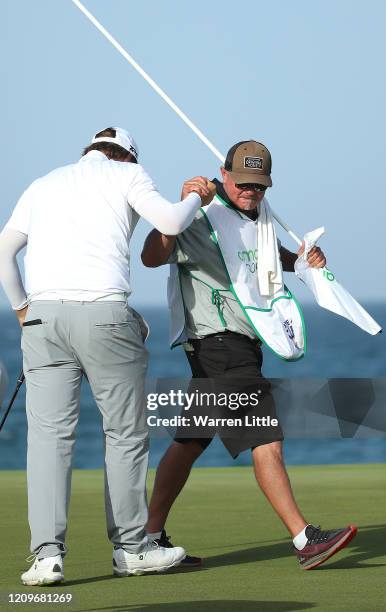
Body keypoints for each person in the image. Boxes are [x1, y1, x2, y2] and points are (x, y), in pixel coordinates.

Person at [0, 126, 216, 585]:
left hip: (43, 317)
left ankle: (46, 558)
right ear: (125, 156)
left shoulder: (43, 182)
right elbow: (172, 223)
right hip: (105, 315)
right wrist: (198, 195)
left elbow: (4, 251)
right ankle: (131, 549)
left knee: (48, 440)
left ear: (89, 152)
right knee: (124, 434)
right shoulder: (129, 174)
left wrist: (22, 309)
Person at [141, 140, 357, 570]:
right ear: (224, 173)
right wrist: (179, 207)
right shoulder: (199, 212)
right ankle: (303, 538)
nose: (250, 192)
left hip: (236, 345)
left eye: (258, 186)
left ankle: (145, 540)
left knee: (189, 442)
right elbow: (150, 256)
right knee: (266, 438)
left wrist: (304, 261)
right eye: (243, 184)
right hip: (219, 345)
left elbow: (268, 261)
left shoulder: (259, 217)